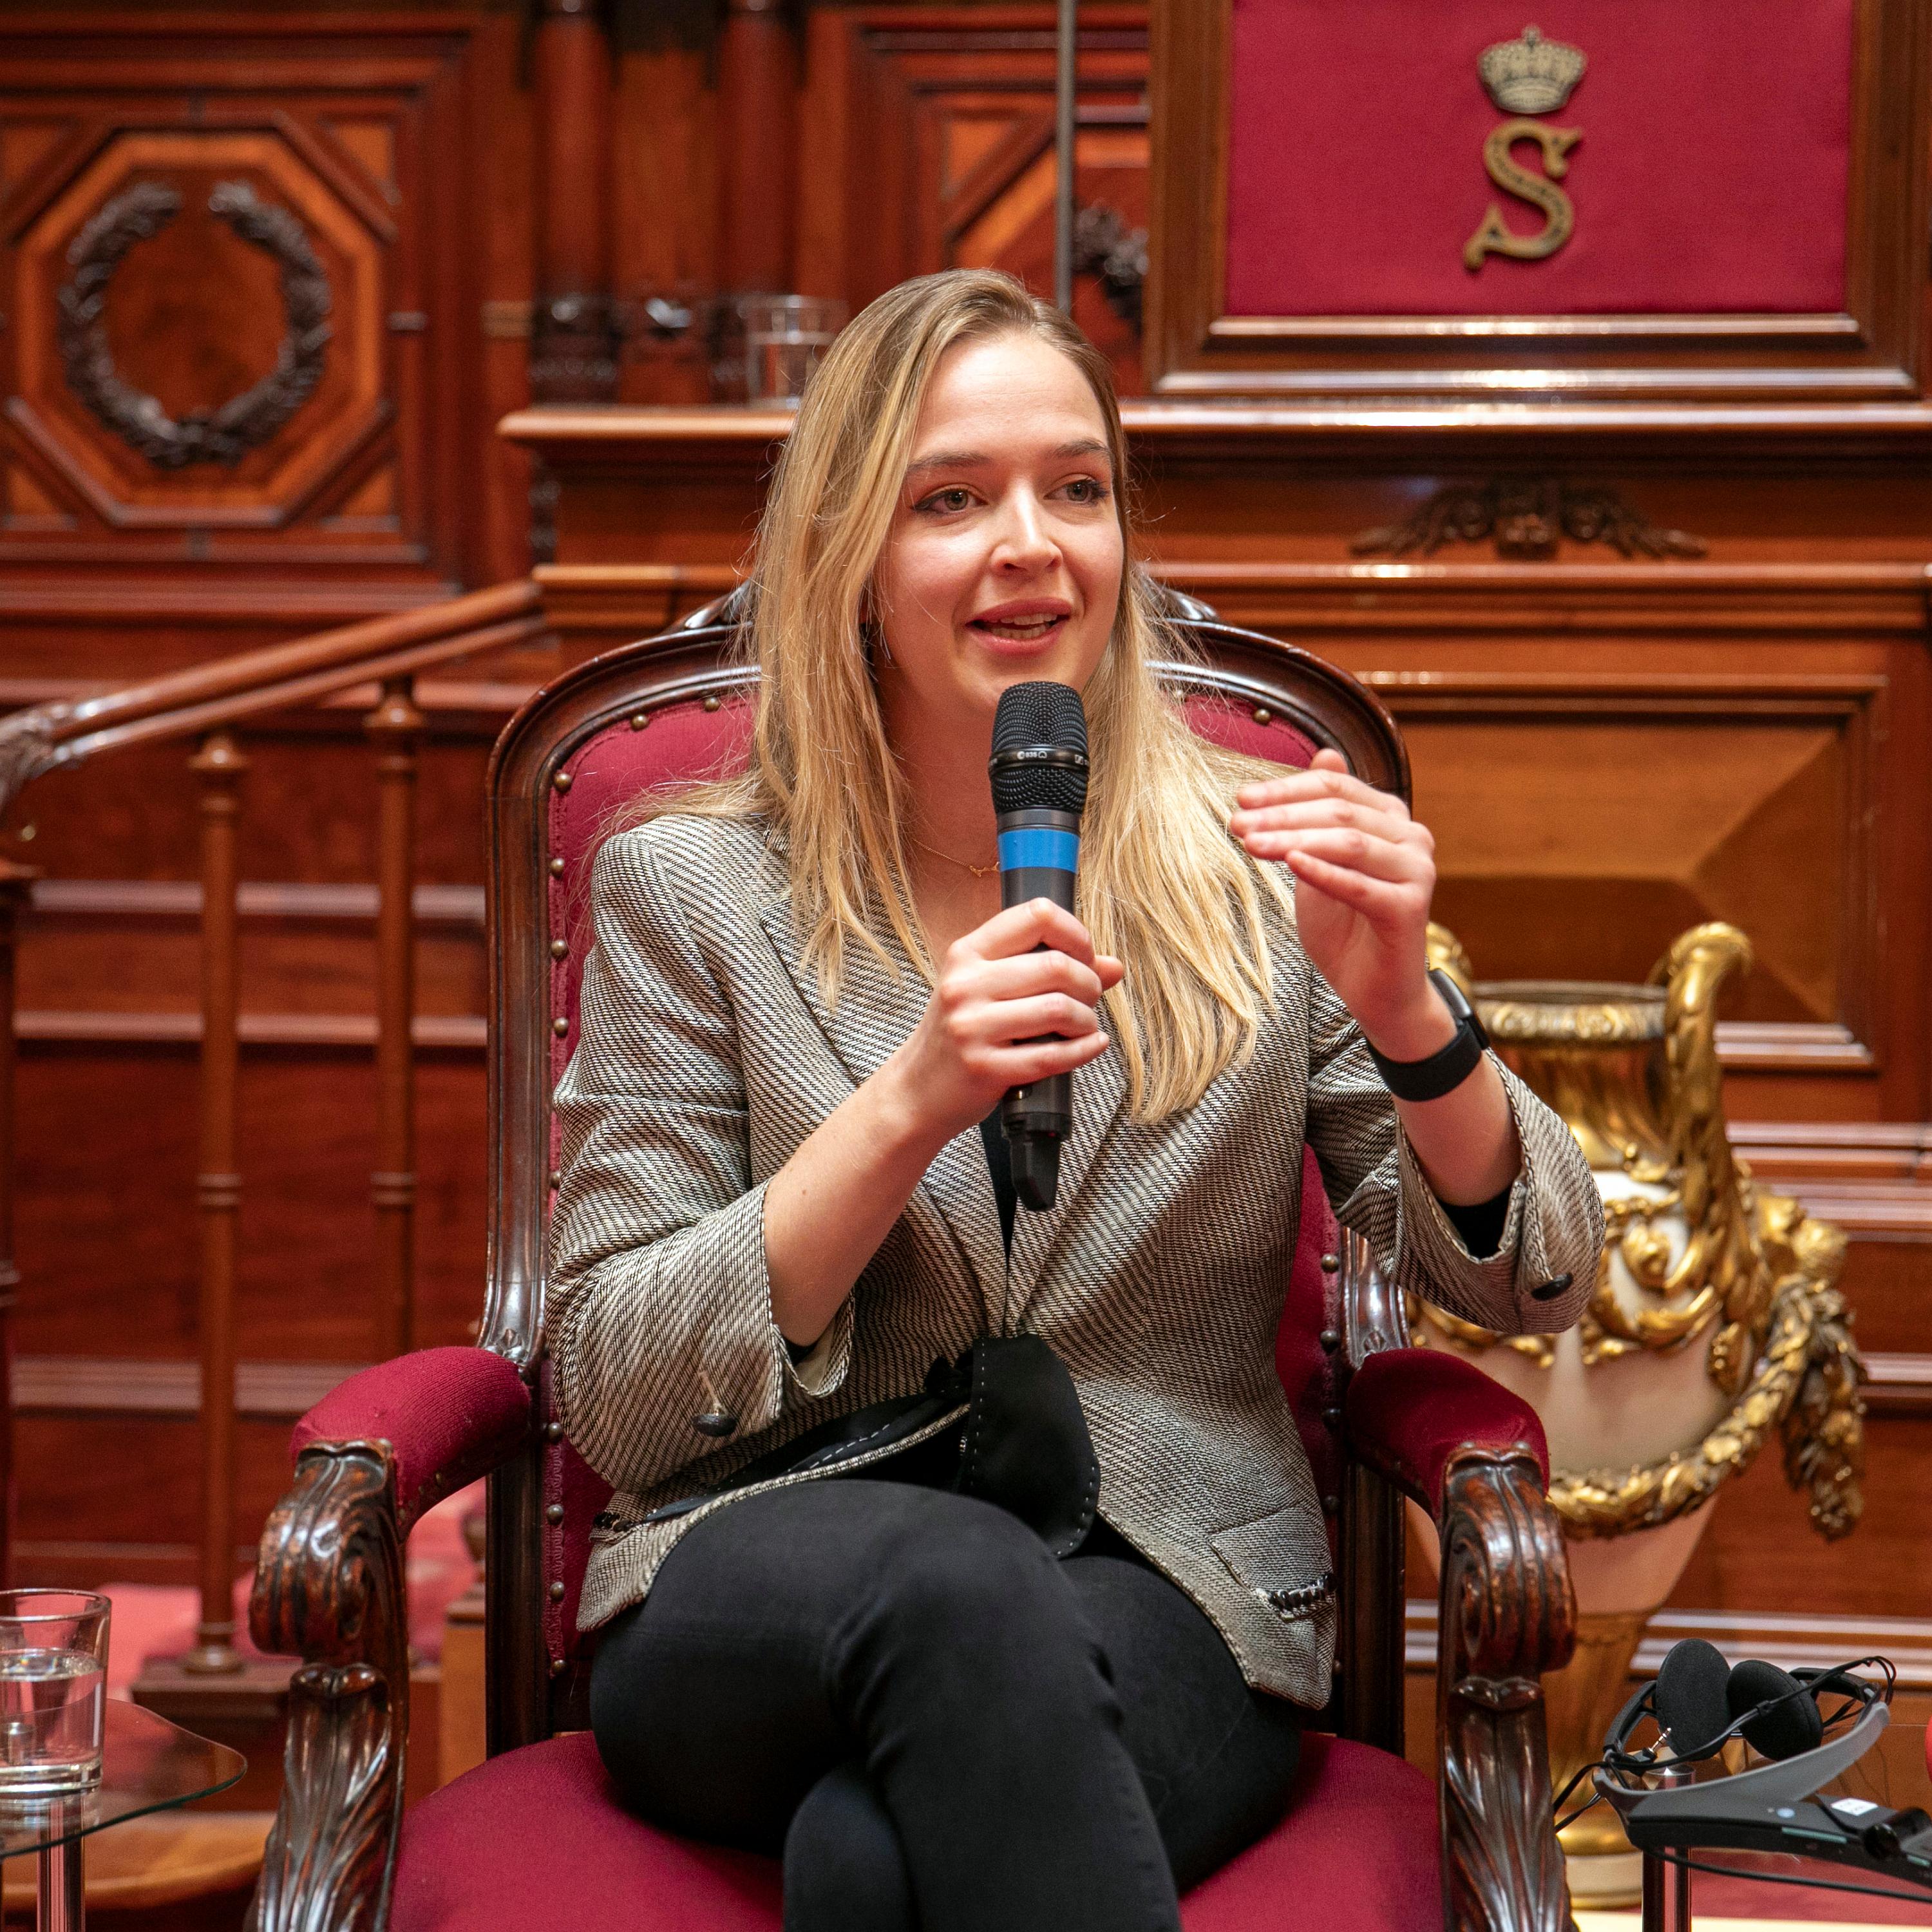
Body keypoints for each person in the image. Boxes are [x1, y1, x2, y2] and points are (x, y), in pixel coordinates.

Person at [547, 268, 1603, 1932]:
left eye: (1077, 488)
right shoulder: (689, 888)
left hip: (1170, 1581)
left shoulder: (1261, 862)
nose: (1032, 543)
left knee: (869, 1863)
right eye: (952, 499)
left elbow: (1533, 1272)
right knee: (953, 1585)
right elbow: (612, 1384)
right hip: (766, 1562)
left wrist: (1404, 1008)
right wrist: (903, 1107)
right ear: (850, 562)